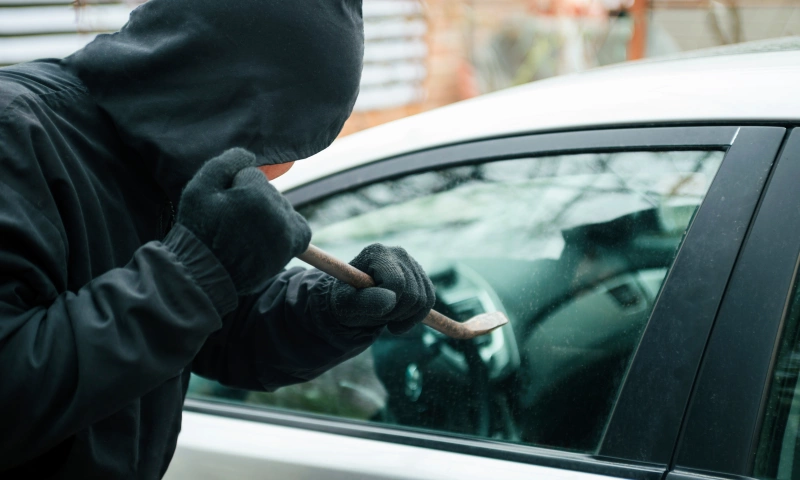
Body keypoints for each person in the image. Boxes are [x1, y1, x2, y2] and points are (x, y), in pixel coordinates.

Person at [0, 0, 435, 477]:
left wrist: (330, 309)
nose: (277, 173)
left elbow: (214, 334)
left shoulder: (155, 158)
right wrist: (194, 273)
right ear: (222, 100)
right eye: (279, 143)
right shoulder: (15, 136)